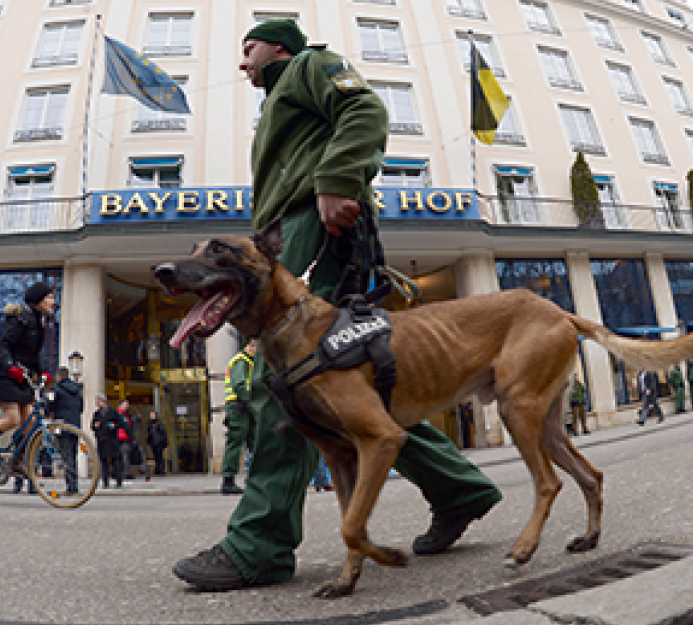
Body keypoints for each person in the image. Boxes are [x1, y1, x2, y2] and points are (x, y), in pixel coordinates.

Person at [173, 20, 503, 591]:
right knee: (352, 390)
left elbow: (367, 112)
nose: (242, 62)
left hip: (315, 226)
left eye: (248, 49)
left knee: (288, 383)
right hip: (298, 229)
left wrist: (336, 179)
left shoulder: (307, 66)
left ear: (279, 46)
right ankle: (459, 489)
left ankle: (260, 545)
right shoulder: (281, 97)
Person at [0, 282, 55, 477]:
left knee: (30, 420)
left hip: (21, 377)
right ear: (39, 300)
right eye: (50, 298)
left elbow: (32, 355)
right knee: (13, 418)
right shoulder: (21, 319)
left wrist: (42, 372)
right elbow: (3, 346)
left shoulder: (41, 322)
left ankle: (17, 461)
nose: (53, 302)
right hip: (4, 375)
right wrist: (10, 366)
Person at [221, 341, 256, 495]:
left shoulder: (247, 361)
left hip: (241, 408)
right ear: (249, 346)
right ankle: (228, 481)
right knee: (235, 443)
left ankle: (258, 478)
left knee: (255, 442)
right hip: (239, 407)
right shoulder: (241, 361)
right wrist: (252, 404)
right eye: (256, 347)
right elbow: (240, 385)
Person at [48, 366, 83, 494]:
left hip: (62, 426)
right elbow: (81, 407)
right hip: (75, 427)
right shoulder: (77, 390)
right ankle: (75, 485)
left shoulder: (56, 389)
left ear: (59, 376)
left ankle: (71, 487)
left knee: (66, 456)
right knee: (73, 457)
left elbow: (50, 406)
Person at [92, 394, 123, 488]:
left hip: (112, 439)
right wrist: (95, 426)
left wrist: (114, 426)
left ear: (103, 401)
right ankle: (105, 482)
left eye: (98, 401)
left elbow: (120, 423)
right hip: (102, 440)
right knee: (104, 462)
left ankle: (118, 481)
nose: (97, 403)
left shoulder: (113, 412)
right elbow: (92, 426)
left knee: (115, 461)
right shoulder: (96, 413)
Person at [117, 399, 145, 481]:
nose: (127, 406)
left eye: (127, 404)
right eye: (125, 404)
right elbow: (126, 426)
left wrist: (136, 420)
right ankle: (125, 473)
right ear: (121, 405)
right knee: (124, 455)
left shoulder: (126, 414)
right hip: (122, 437)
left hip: (126, 437)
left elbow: (130, 423)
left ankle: (124, 472)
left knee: (126, 455)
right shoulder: (119, 414)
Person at [146, 411, 168, 476]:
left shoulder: (159, 423)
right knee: (156, 456)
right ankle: (157, 469)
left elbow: (163, 432)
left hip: (159, 442)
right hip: (153, 442)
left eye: (153, 414)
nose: (151, 416)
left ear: (156, 415)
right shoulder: (149, 423)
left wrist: (162, 440)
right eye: (150, 414)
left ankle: (161, 469)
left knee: (159, 456)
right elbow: (149, 433)